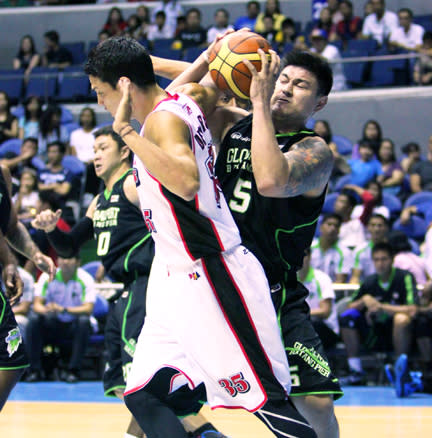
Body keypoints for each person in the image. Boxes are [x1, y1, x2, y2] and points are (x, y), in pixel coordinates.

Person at [85, 36, 317, 438]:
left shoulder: (159, 122)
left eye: (100, 92)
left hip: (209, 273)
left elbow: (187, 181)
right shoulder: (185, 98)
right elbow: (206, 79)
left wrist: (126, 132)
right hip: (171, 278)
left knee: (268, 404)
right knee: (144, 397)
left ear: (122, 86)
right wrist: (207, 57)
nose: (99, 102)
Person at [166, 43, 343, 437]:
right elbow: (175, 100)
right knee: (164, 387)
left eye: (300, 85)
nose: (284, 88)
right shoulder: (230, 122)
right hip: (218, 283)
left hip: (276, 291)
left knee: (315, 402)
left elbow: (270, 179)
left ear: (319, 103)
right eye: (282, 79)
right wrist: (208, 59)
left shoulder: (314, 151)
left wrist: (259, 104)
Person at [32, 126, 223, 438]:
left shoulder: (135, 185)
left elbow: (177, 215)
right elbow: (68, 247)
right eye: (93, 149)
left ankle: (204, 432)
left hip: (147, 285)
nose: (95, 154)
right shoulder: (98, 201)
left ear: (123, 152)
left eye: (103, 147)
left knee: (144, 384)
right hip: (124, 294)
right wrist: (52, 230)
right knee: (129, 385)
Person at [0, 164, 55, 411]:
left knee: (13, 361)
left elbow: (9, 228)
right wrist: (10, 262)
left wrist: (34, 254)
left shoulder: (3, 172)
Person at [339, 242, 418, 385]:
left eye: (384, 259)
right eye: (376, 260)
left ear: (392, 260)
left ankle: (400, 371)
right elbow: (349, 306)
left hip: (402, 334)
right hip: (374, 332)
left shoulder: (404, 277)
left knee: (401, 319)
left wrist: (382, 307)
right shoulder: (370, 281)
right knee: (347, 318)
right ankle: (356, 370)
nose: (380, 264)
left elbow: (413, 309)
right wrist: (364, 300)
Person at [26, 254, 95, 383]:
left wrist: (64, 309)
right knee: (34, 319)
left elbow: (88, 308)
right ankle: (34, 371)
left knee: (84, 321)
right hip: (53, 322)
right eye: (62, 258)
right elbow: (37, 305)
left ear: (77, 262)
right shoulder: (48, 276)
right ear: (57, 261)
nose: (65, 261)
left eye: (69, 258)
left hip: (73, 324)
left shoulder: (85, 279)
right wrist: (48, 309)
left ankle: (73, 371)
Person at [298, 248, 340, 350]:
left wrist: (299, 314)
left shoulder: (322, 278)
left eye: (304, 255)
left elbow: (325, 312)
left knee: (309, 327)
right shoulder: (291, 279)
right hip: (302, 324)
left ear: (310, 257)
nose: (300, 259)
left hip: (327, 329)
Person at [310, 213, 353, 283]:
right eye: (329, 224)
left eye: (336, 226)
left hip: (332, 290)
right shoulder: (309, 248)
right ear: (321, 227)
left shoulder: (344, 252)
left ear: (339, 230)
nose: (333, 228)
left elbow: (340, 281)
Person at [350, 213, 390, 284]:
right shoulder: (359, 250)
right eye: (373, 225)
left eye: (380, 225)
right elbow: (355, 277)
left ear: (386, 228)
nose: (376, 229)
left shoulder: (394, 249)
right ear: (368, 227)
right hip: (367, 289)